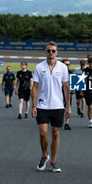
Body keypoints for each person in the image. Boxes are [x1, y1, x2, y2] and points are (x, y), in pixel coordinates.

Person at [31, 41, 71, 173]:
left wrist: (68, 106)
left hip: (58, 106)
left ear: (57, 52)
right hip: (42, 105)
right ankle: (44, 155)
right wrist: (33, 106)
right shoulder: (39, 67)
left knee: (55, 134)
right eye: (49, 50)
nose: (51, 53)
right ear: (45, 52)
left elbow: (66, 88)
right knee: (43, 133)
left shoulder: (63, 68)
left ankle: (53, 162)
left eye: (53, 51)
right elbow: (35, 87)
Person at [83, 57, 92, 128]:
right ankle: (90, 121)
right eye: (90, 64)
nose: (91, 65)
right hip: (87, 91)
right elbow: (81, 81)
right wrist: (81, 91)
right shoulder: (85, 70)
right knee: (89, 107)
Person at [61, 59, 73, 130]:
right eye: (66, 64)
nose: (67, 66)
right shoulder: (58, 72)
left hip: (68, 92)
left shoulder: (71, 73)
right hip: (58, 92)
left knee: (68, 107)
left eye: (68, 65)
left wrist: (72, 92)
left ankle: (66, 123)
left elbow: (75, 83)